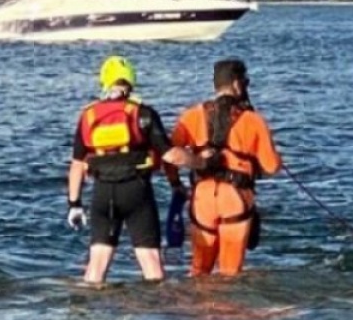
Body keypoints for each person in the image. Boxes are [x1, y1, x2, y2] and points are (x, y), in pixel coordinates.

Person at [68, 56, 193, 283]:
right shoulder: (143, 113)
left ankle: (87, 304)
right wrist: (200, 163)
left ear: (104, 81)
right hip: (136, 191)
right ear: (131, 81)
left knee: (97, 264)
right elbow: (170, 155)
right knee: (151, 263)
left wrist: (74, 205)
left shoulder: (88, 115)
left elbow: (77, 164)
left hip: (103, 193)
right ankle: (154, 304)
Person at [172, 59, 283, 278]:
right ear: (237, 84)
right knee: (230, 274)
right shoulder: (253, 120)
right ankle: (226, 301)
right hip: (235, 198)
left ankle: (194, 300)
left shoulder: (191, 116)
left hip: (202, 198)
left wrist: (175, 184)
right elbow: (271, 166)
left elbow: (169, 155)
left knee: (199, 270)